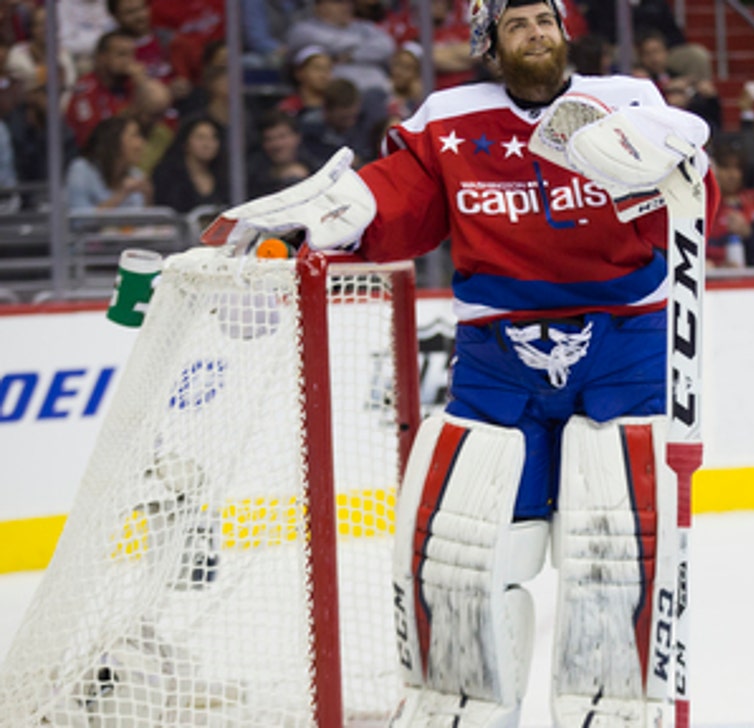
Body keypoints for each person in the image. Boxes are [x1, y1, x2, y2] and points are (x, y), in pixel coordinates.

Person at [203, 1, 715, 725]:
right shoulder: (449, 121)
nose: (536, 33)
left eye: (544, 19)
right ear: (490, 45)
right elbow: (395, 201)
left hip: (623, 348)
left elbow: (694, 212)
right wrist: (322, 220)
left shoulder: (627, 105)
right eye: (517, 25)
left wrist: (684, 162)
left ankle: (616, 711)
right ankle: (465, 710)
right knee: (462, 559)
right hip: (496, 358)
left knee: (616, 556)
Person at [66, 29, 169, 150]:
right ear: (101, 57)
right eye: (121, 55)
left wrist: (142, 85)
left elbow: (157, 112)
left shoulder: (133, 82)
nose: (129, 61)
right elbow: (93, 140)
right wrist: (133, 110)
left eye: (132, 55)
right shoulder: (85, 89)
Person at [285, 0, 395, 94]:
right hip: (336, 95)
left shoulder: (365, 27)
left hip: (380, 90)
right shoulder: (304, 30)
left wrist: (351, 56)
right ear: (320, 6)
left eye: (349, 2)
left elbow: (387, 46)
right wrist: (366, 45)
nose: (346, 6)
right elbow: (333, 43)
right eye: (338, 2)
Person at [706, 139, 754, 267]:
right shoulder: (704, 205)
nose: (732, 174)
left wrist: (750, 234)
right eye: (725, 167)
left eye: (737, 168)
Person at [66, 114, 152, 211]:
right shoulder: (81, 170)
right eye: (135, 136)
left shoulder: (137, 176)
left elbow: (143, 218)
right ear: (114, 140)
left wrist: (148, 198)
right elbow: (79, 218)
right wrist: (121, 194)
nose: (141, 144)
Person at [151, 114, 227, 213]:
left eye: (213, 138)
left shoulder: (226, 176)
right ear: (186, 142)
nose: (207, 144)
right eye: (200, 138)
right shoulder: (166, 175)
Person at [246, 109, 320, 198]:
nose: (277, 145)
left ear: (297, 137)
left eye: (282, 137)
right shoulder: (250, 172)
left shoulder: (317, 168)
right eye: (269, 139)